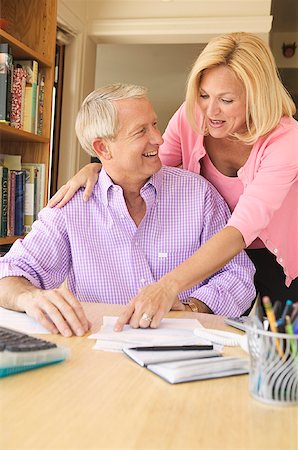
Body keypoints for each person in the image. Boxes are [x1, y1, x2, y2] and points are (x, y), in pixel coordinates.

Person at [48, 32, 298, 330]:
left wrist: (168, 286)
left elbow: (242, 227)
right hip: (217, 256)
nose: (211, 111)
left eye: (227, 100)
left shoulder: (286, 139)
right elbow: (147, 166)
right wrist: (101, 167)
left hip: (281, 259)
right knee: (225, 338)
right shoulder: (193, 117)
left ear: (257, 96)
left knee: (285, 352)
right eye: (204, 95)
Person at [0, 83, 255, 336]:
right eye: (141, 131)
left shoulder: (198, 194)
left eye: (154, 124)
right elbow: (10, 272)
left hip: (186, 348)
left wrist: (192, 307)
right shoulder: (70, 209)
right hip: (101, 358)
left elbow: (239, 275)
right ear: (102, 148)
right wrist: (29, 297)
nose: (159, 138)